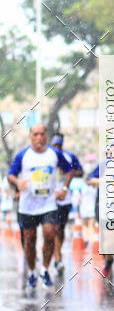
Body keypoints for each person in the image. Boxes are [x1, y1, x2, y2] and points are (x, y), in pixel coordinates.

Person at [7, 124, 75, 289]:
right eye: (35, 134)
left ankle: (45, 270)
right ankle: (32, 272)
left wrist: (64, 189)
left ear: (46, 136)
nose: (39, 138)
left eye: (42, 134)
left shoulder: (54, 153)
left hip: (48, 203)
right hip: (28, 205)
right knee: (29, 240)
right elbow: (10, 174)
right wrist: (18, 182)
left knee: (50, 234)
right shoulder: (23, 155)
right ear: (30, 136)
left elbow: (69, 170)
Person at [50, 133, 83, 274]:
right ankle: (55, 257)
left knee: (60, 229)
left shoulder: (70, 157)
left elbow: (81, 172)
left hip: (65, 197)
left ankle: (58, 256)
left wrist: (69, 171)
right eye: (54, 145)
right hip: (49, 198)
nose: (57, 147)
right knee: (52, 228)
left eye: (59, 145)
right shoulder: (47, 157)